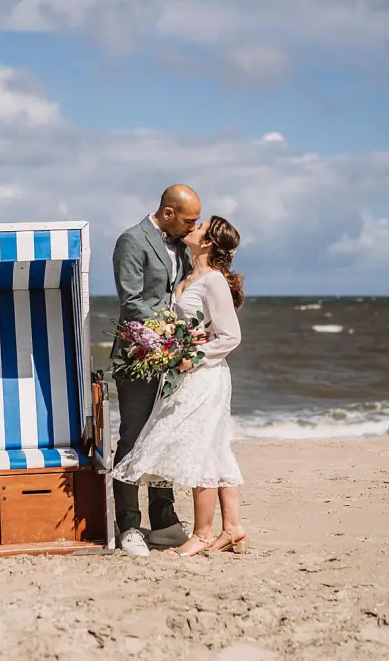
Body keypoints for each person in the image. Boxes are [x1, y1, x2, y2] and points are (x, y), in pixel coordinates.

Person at [111, 215, 247, 557]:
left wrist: (193, 356)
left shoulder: (213, 280)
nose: (194, 226)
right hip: (184, 372)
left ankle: (202, 533)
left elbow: (231, 335)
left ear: (208, 243)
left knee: (202, 447)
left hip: (203, 374)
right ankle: (232, 528)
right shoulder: (190, 273)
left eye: (200, 226)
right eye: (192, 220)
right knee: (214, 448)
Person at [110, 184, 201, 556]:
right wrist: (170, 335)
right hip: (137, 356)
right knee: (133, 439)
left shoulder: (181, 246)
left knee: (164, 436)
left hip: (172, 356)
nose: (192, 227)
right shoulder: (132, 240)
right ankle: (128, 525)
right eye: (189, 220)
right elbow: (131, 303)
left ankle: (163, 521)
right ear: (167, 213)